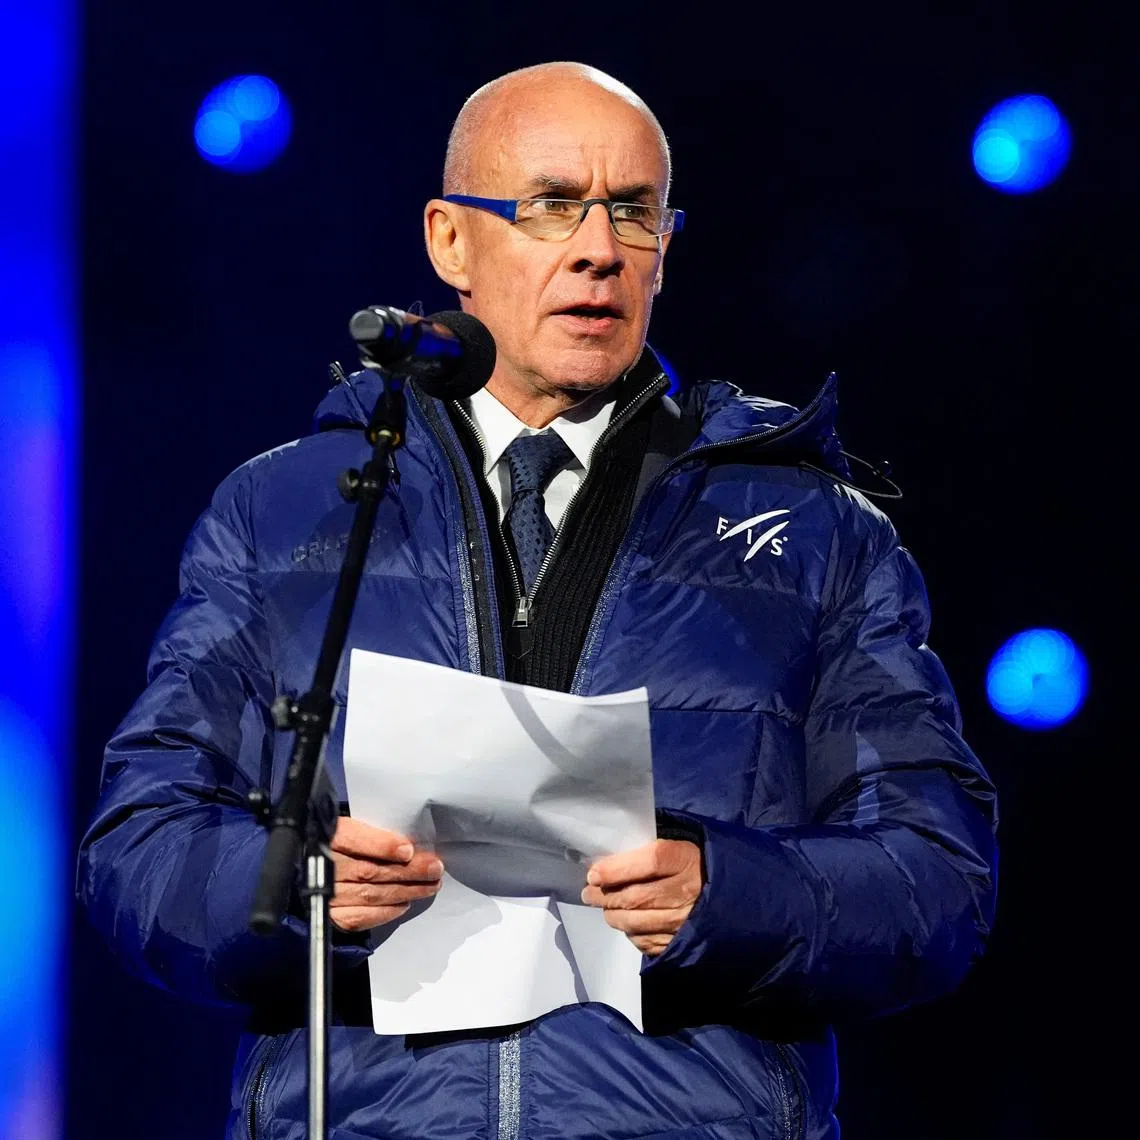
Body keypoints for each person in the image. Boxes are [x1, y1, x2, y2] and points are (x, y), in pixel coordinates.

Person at [78, 61, 998, 1140]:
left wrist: (726, 893)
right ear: (449, 242)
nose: (599, 247)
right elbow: (137, 852)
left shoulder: (816, 532)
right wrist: (305, 890)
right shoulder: (283, 510)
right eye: (552, 205)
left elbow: (938, 881)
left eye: (635, 213)